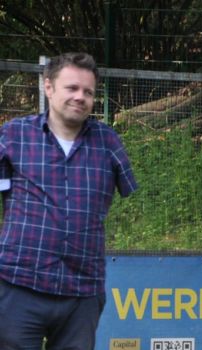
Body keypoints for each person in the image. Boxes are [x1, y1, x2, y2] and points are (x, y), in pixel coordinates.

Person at [0, 52, 138, 348]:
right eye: (72, 88)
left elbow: (129, 193)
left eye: (88, 92)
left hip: (81, 292)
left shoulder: (108, 141)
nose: (80, 97)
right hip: (19, 286)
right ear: (48, 87)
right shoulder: (13, 136)